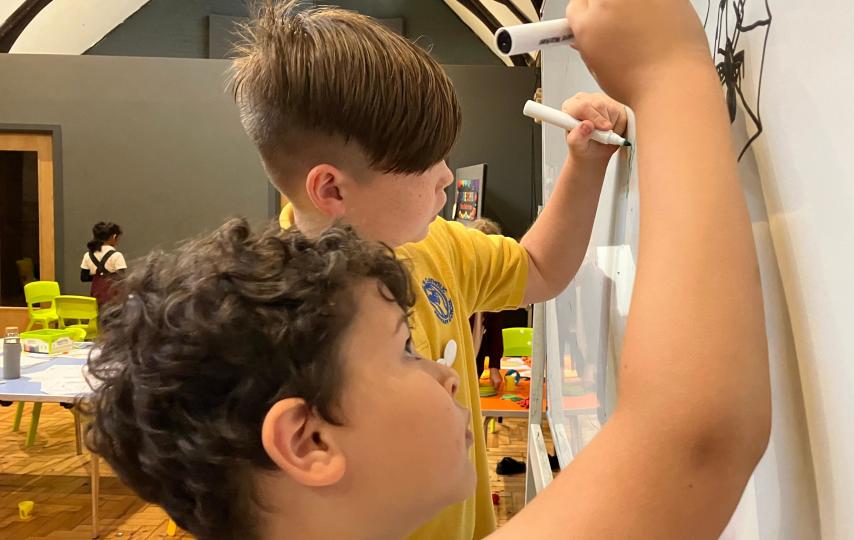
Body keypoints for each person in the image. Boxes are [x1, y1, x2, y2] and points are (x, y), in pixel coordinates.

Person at [85, 0, 771, 539]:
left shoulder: (358, 283)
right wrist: (668, 73)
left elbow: (534, 267)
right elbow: (690, 440)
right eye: (406, 351)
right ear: (309, 439)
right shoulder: (304, 326)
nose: (452, 370)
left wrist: (586, 162)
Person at [231, 3, 624, 538]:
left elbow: (538, 269)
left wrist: (584, 161)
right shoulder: (277, 321)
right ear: (332, 189)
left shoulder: (436, 245)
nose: (445, 176)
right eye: (422, 163)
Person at [467, 218, 506, 389]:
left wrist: (494, 367)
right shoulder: (462, 276)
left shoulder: (491, 281)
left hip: (476, 355)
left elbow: (494, 325)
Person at [80, 221, 126, 305]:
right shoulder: (117, 255)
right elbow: (122, 279)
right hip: (112, 298)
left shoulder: (87, 255)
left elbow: (84, 277)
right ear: (114, 236)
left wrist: (99, 276)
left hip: (95, 297)